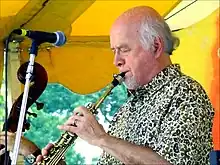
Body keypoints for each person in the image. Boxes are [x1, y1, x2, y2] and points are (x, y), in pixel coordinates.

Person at [35, 6, 215, 165]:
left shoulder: (185, 93)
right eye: (114, 51)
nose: (116, 61)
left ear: (156, 46)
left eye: (124, 50)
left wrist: (101, 139)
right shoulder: (127, 108)